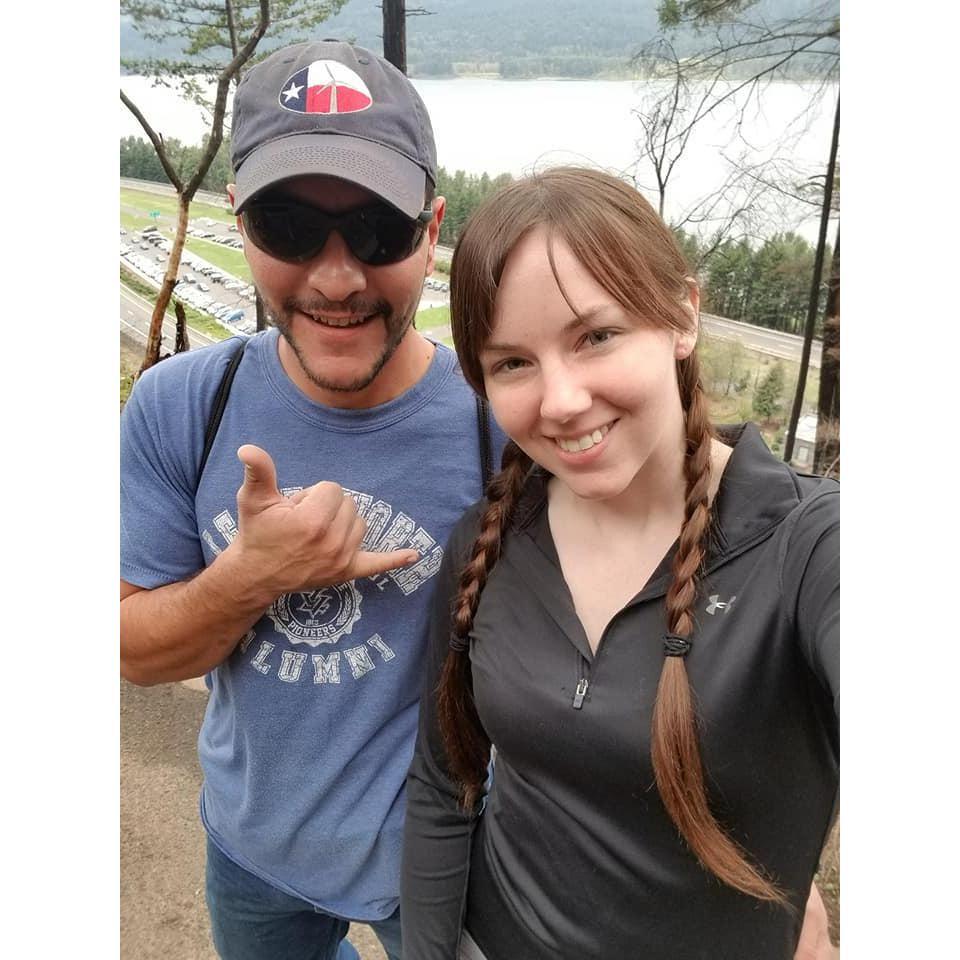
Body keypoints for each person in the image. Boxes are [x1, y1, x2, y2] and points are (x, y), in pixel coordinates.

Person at [120, 39, 503, 960]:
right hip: (251, 846)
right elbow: (129, 650)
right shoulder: (182, 405)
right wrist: (247, 578)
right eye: (290, 227)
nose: (337, 279)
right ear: (238, 220)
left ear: (434, 227)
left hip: (445, 863)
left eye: (379, 230)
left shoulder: (505, 432)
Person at [400, 167, 839, 959]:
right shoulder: (487, 544)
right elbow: (443, 783)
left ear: (682, 314)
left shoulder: (808, 550)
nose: (561, 399)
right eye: (512, 363)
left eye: (595, 336)